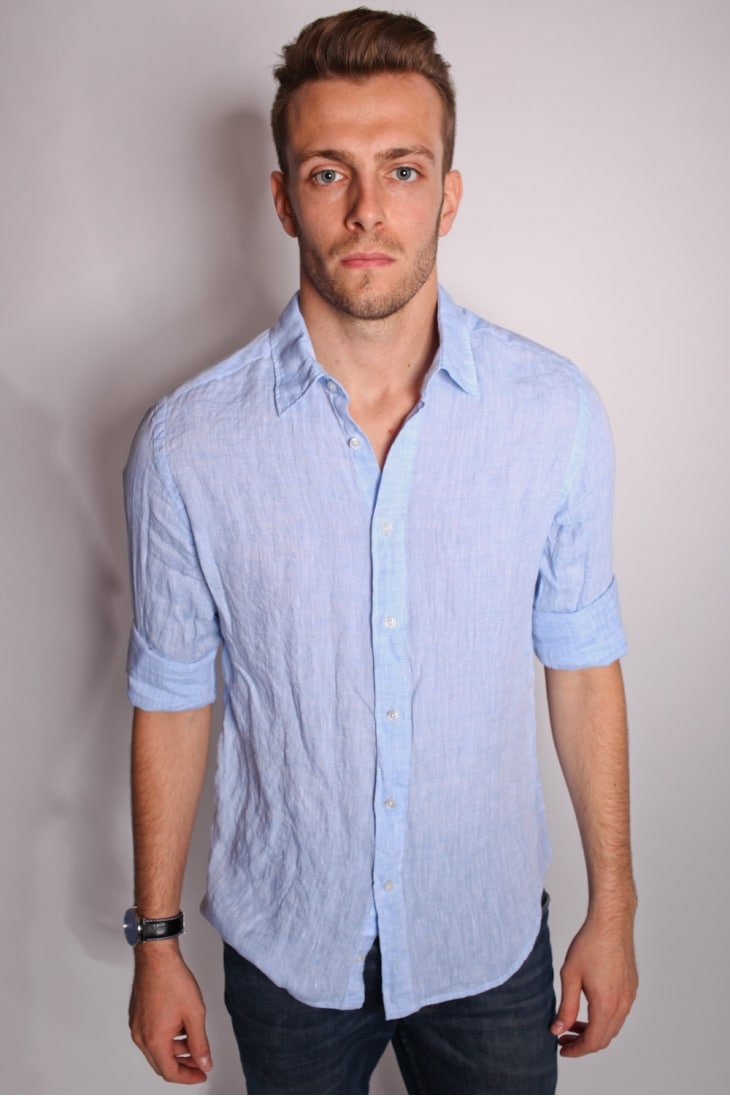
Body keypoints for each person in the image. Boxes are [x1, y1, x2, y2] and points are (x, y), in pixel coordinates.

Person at [123, 7, 637, 1094]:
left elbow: (583, 662)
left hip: (487, 938)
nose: (367, 209)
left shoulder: (552, 414)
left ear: (447, 194)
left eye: (402, 170)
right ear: (282, 199)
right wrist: (156, 941)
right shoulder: (187, 444)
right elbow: (172, 692)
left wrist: (615, 904)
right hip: (289, 948)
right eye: (328, 173)